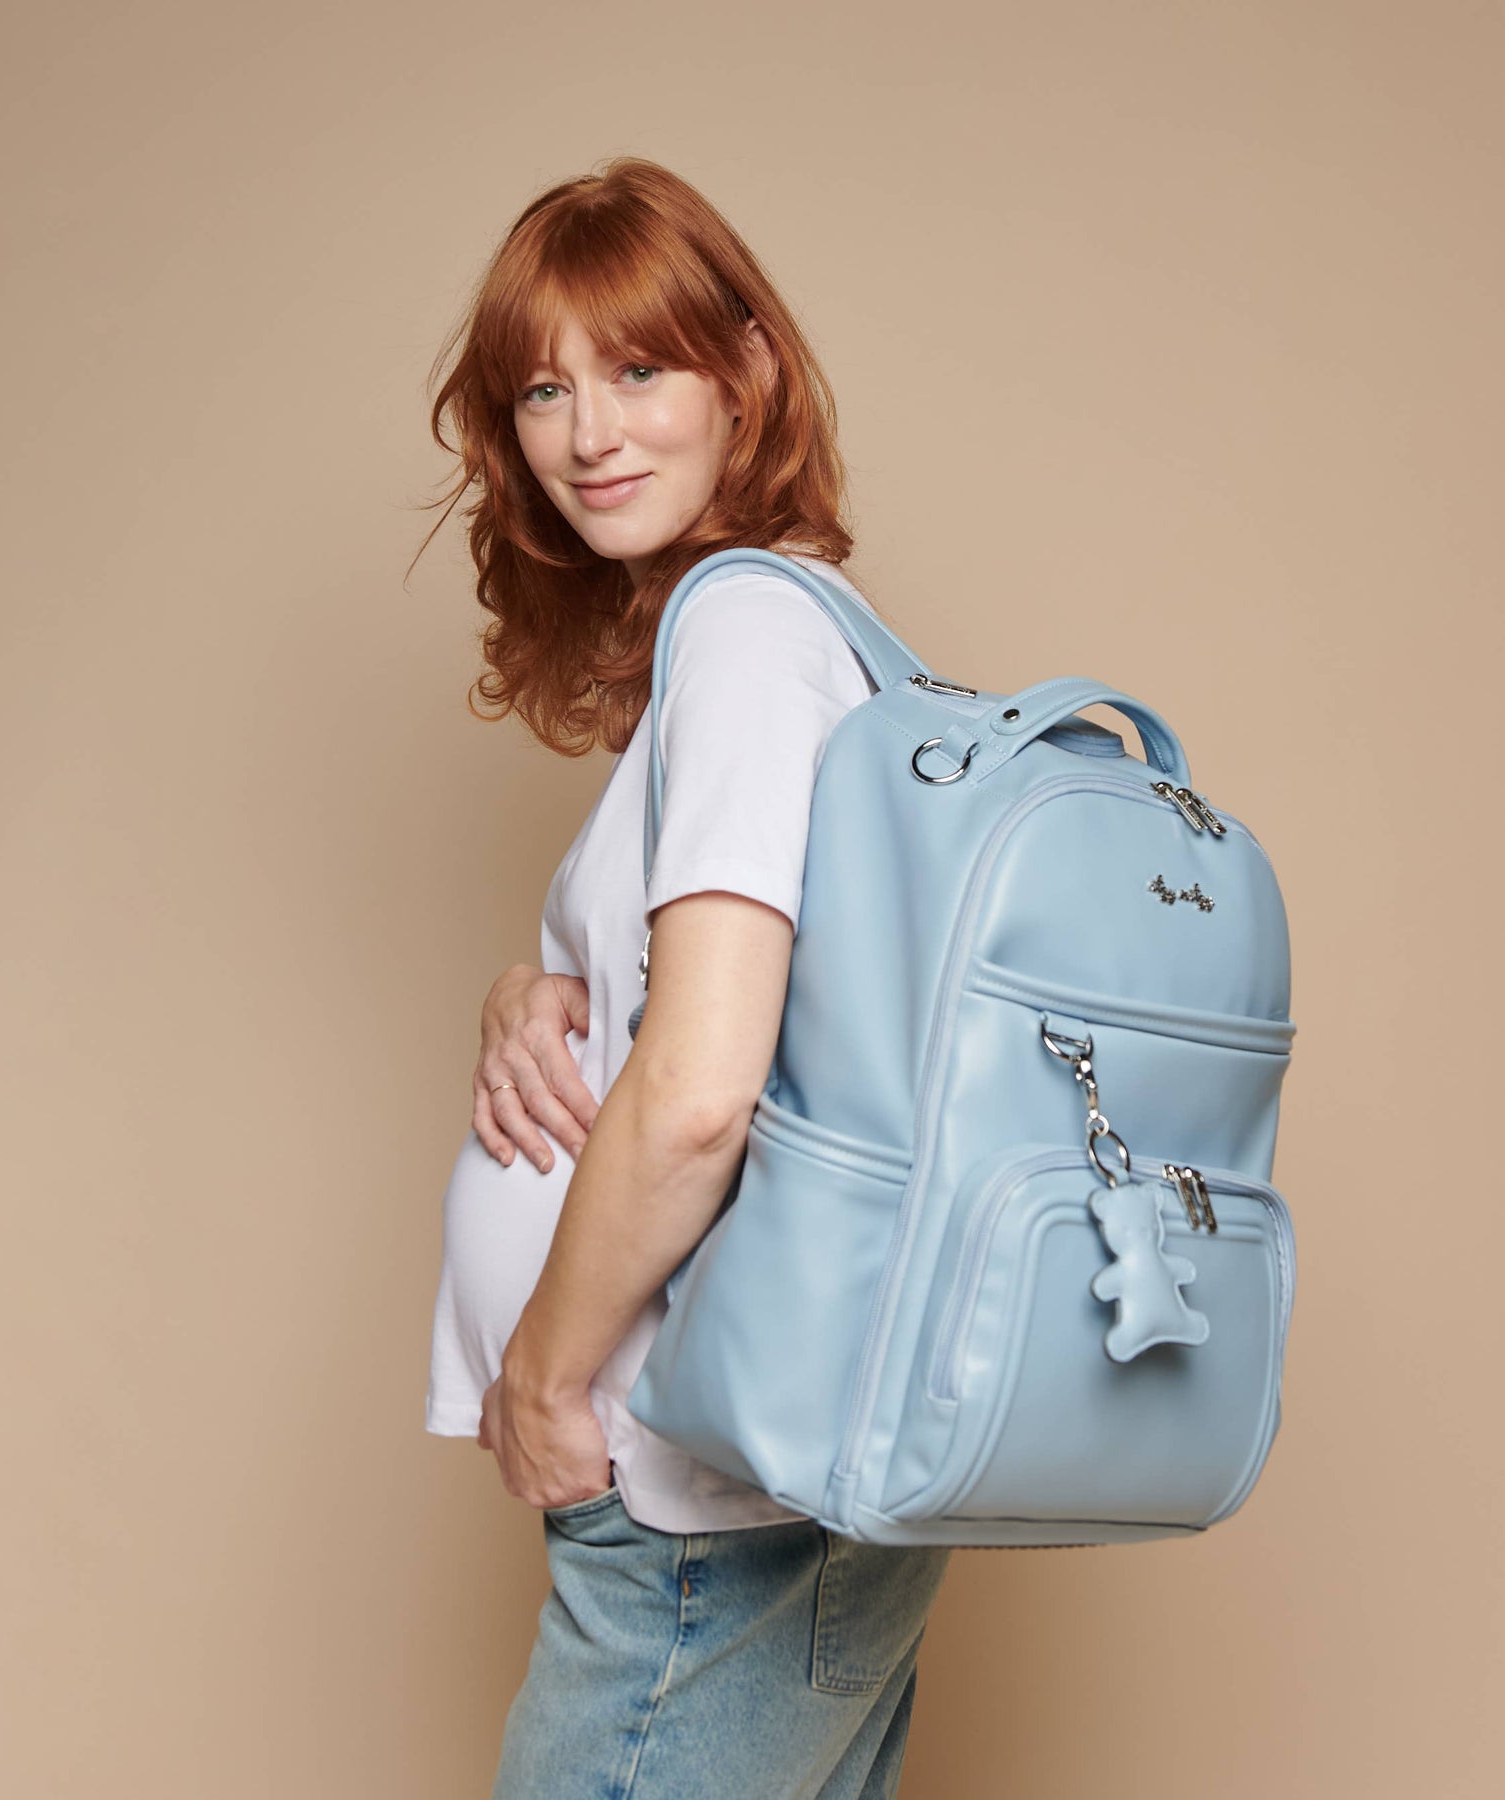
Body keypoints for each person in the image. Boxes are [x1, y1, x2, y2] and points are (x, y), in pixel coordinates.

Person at [412, 157, 952, 1799]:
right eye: (544, 391)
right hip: (760, 1485)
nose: (589, 433)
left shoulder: (744, 635)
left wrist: (542, 1373)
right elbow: (732, 1004)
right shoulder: (789, 644)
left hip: (695, 1497)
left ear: (746, 376)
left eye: (640, 368)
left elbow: (706, 1091)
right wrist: (537, 987)